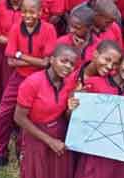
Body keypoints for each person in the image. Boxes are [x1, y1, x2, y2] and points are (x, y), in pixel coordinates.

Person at [0, 0, 58, 174]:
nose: (27, 15)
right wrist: (34, 60)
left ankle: (21, 150)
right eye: (24, 12)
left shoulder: (49, 29)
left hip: (39, 80)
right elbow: (11, 61)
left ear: (40, 12)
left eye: (32, 12)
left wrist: (20, 55)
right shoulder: (16, 28)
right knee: (3, 113)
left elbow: (46, 63)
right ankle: (0, 152)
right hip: (18, 78)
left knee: (29, 117)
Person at [72, 49, 124, 178]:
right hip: (94, 151)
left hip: (117, 155)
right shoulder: (94, 83)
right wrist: (75, 103)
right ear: (119, 63)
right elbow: (74, 116)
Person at [14, 45, 79, 178]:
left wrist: (70, 109)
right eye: (64, 61)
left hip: (59, 131)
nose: (68, 66)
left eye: (72, 64)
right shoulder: (32, 83)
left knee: (57, 171)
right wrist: (50, 141)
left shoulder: (68, 83)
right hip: (36, 133)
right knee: (38, 170)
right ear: (52, 60)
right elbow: (19, 118)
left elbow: (64, 114)